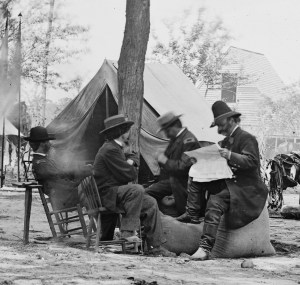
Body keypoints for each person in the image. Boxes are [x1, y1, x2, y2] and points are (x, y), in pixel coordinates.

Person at [188, 101, 268, 261]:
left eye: (220, 124)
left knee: (215, 201)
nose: (219, 129)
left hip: (246, 188)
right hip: (230, 182)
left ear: (231, 121)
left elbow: (251, 162)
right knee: (194, 176)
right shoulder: (225, 142)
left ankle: (205, 247)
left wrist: (230, 155)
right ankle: (192, 215)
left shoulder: (247, 138)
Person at [93, 114, 175, 257]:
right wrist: (130, 162)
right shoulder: (110, 149)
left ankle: (155, 247)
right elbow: (128, 175)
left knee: (150, 202)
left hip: (115, 193)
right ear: (122, 132)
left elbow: (133, 158)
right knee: (136, 189)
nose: (129, 132)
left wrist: (130, 161)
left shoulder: (115, 148)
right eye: (127, 129)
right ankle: (127, 233)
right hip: (107, 195)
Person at [25, 126, 117, 241]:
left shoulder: (45, 160)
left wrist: (82, 171)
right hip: (63, 197)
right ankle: (105, 227)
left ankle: (105, 227)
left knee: (97, 190)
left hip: (67, 192)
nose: (49, 143)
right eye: (47, 141)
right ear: (42, 143)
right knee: (97, 187)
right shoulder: (40, 163)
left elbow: (64, 172)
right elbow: (61, 175)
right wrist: (82, 174)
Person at [145, 112, 200, 217]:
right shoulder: (176, 139)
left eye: (167, 130)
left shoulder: (189, 140)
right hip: (172, 182)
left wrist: (164, 160)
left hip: (182, 185)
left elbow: (182, 167)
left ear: (175, 126)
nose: (166, 134)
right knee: (145, 193)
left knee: (145, 194)